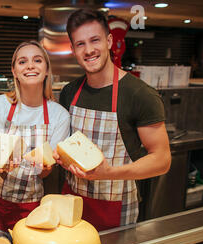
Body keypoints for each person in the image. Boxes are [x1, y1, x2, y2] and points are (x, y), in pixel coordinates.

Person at [54, 9, 171, 231]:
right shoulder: (70, 92)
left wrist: (109, 174)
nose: (89, 50)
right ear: (72, 49)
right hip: (71, 207)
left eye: (95, 40)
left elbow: (162, 160)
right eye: (80, 44)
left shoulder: (140, 95)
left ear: (109, 41)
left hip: (115, 209)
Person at [0, 40, 70, 233]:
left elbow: (45, 173)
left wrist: (43, 167)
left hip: (29, 205)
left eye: (37, 60)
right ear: (14, 71)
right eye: (22, 62)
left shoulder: (59, 115)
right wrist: (2, 165)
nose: (30, 66)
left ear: (46, 70)